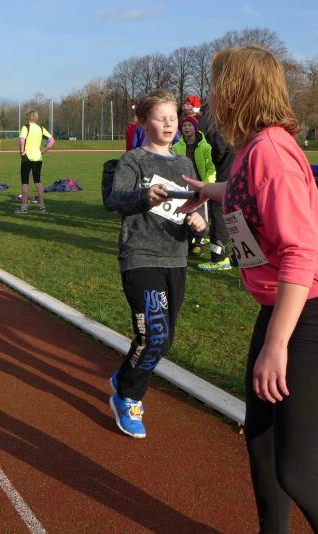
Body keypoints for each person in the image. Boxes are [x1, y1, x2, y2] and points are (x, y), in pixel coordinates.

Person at [179, 47, 318, 533]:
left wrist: (276, 345)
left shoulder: (271, 152)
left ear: (236, 91)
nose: (213, 98)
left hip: (315, 314)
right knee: (261, 443)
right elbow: (246, 191)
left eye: (218, 87)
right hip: (285, 307)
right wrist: (207, 191)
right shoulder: (253, 149)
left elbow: (301, 251)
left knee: (299, 471)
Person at [106, 89, 207, 440]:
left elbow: (196, 210)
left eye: (172, 118)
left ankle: (125, 376)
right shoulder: (133, 161)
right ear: (143, 122)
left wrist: (199, 225)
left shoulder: (184, 165)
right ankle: (128, 398)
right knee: (155, 335)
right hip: (140, 256)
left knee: (163, 340)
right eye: (160, 118)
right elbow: (116, 200)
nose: (168, 124)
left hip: (175, 258)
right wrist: (142, 196)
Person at [197, 103, 234, 272]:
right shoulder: (235, 125)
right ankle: (240, 257)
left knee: (218, 215)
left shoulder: (218, 127)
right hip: (236, 176)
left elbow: (218, 151)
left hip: (224, 176)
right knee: (236, 216)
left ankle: (219, 258)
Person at [172, 114, 216, 255]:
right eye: (184, 125)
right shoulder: (176, 147)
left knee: (201, 215)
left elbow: (211, 167)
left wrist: (206, 184)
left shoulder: (205, 147)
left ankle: (199, 242)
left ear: (195, 128)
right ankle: (188, 241)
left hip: (201, 185)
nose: (186, 127)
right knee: (186, 213)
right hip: (184, 186)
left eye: (189, 125)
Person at [17, 110, 54, 214]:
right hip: (38, 158)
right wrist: (45, 150)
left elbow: (22, 140)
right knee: (38, 182)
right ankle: (41, 206)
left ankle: (24, 208)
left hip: (27, 158)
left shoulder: (26, 127)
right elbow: (52, 140)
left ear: (28, 117)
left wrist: (22, 152)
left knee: (25, 182)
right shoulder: (40, 128)